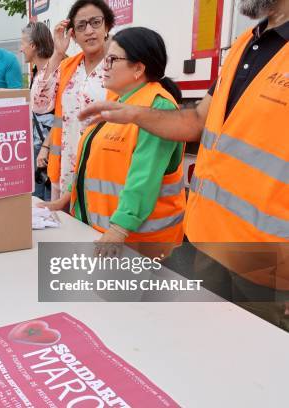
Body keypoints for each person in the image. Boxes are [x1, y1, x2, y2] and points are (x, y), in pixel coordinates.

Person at [79, 0, 288, 328]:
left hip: (269, 265)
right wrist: (134, 113)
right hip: (207, 246)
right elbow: (197, 120)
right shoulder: (245, 44)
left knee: (257, 367)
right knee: (199, 351)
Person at [41, 27, 186, 257]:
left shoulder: (159, 108)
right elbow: (92, 164)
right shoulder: (118, 103)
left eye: (112, 59)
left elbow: (144, 178)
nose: (104, 66)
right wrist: (66, 199)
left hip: (137, 243)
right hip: (102, 236)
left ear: (138, 68)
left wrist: (119, 229)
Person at [32, 0, 115, 201]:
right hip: (65, 170)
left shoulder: (119, 65)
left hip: (103, 170)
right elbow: (39, 103)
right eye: (81, 26)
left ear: (107, 27)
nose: (89, 30)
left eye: (95, 22)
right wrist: (58, 53)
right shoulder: (68, 67)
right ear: (74, 36)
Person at [20, 22, 54, 201]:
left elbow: (61, 117)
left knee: (49, 204)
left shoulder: (55, 74)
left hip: (48, 152)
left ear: (33, 45)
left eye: (22, 43)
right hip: (38, 150)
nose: (20, 49)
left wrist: (46, 148)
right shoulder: (37, 72)